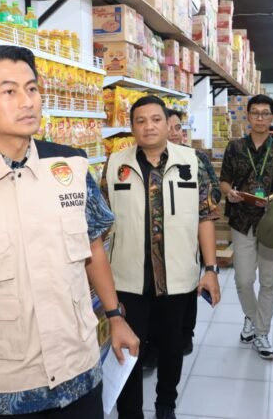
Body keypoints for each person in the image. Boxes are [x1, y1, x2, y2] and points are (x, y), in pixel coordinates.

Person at [0, 45, 139, 419]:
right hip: (4, 390)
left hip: (80, 372)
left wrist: (115, 316)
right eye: (9, 91)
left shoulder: (72, 167)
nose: (27, 101)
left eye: (32, 89)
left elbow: (93, 248)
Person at [102, 95, 221, 419]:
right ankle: (130, 412)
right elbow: (101, 222)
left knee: (171, 347)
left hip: (178, 278)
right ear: (131, 127)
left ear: (168, 124)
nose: (148, 127)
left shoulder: (192, 162)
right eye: (140, 121)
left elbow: (206, 217)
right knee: (130, 350)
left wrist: (211, 269)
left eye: (156, 119)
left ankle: (166, 404)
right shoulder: (115, 164)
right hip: (128, 278)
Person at [219, 94, 273, 359]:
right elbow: (224, 181)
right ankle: (252, 317)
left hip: (272, 223)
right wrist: (229, 193)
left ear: (272, 117)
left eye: (265, 113)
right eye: (255, 113)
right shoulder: (235, 147)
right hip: (241, 220)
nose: (260, 118)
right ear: (247, 116)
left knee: (268, 281)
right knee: (244, 279)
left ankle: (261, 332)